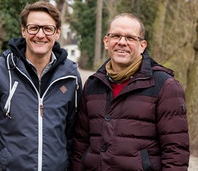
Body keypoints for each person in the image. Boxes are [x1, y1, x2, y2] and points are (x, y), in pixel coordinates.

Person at [0, 1, 82, 170]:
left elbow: (73, 137)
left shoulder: (70, 77)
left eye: (47, 29)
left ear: (57, 33)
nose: (40, 35)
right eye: (34, 28)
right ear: (24, 31)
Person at [71, 13, 189, 170]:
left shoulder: (165, 86)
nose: (122, 42)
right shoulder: (93, 85)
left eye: (130, 38)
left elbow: (176, 153)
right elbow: (80, 144)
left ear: (142, 46)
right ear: (106, 42)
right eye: (116, 36)